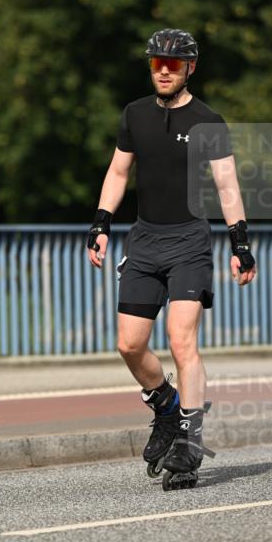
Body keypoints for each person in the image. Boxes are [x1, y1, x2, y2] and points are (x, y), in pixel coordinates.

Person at [86, 28, 256, 490]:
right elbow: (118, 171)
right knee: (129, 345)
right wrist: (100, 224)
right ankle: (165, 405)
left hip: (189, 243)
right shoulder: (135, 114)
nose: (163, 70)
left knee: (182, 342)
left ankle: (189, 440)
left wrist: (240, 244)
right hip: (144, 242)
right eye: (156, 63)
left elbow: (226, 185)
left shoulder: (208, 121)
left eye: (173, 64)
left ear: (189, 68)